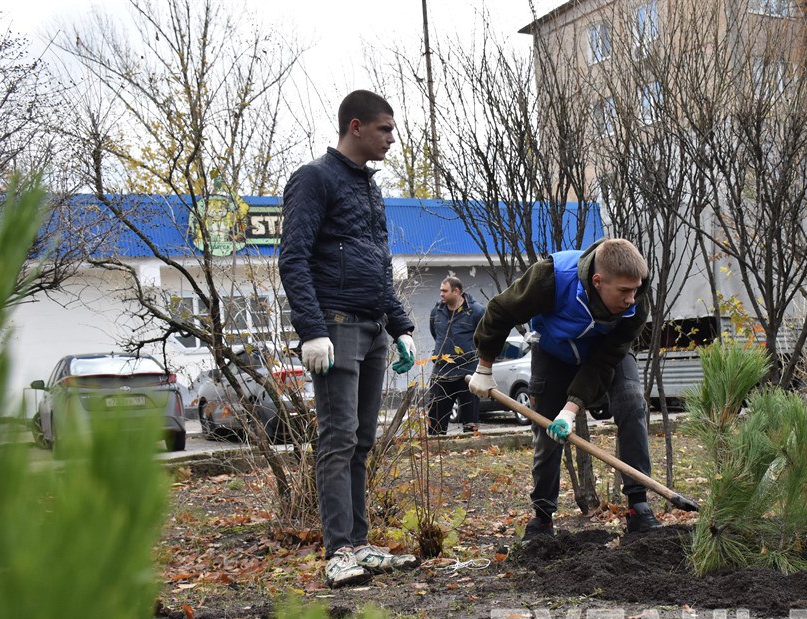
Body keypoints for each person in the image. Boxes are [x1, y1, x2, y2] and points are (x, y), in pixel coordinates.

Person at [279, 90, 418, 587]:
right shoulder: (314, 178)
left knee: (360, 440)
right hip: (335, 326)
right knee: (337, 438)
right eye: (385, 129)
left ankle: (359, 545)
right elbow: (293, 258)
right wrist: (312, 331)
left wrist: (400, 326)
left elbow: (377, 267)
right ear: (355, 126)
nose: (392, 138)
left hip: (373, 327)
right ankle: (338, 551)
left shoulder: (369, 188)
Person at [466, 238, 663, 539]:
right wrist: (484, 367)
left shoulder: (636, 302)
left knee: (632, 402)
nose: (631, 299)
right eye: (624, 291)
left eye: (635, 290)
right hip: (553, 351)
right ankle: (542, 517)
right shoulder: (551, 278)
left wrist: (570, 410)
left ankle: (638, 506)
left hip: (604, 355)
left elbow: (604, 361)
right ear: (597, 281)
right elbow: (500, 311)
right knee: (547, 431)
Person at [427, 275, 485, 435]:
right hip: (441, 373)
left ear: (456, 291)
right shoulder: (436, 312)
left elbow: (485, 337)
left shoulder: (476, 311)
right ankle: (435, 448)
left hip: (468, 373)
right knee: (435, 424)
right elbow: (436, 335)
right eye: (441, 290)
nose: (441, 294)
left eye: (445, 291)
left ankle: (471, 449)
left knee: (470, 425)